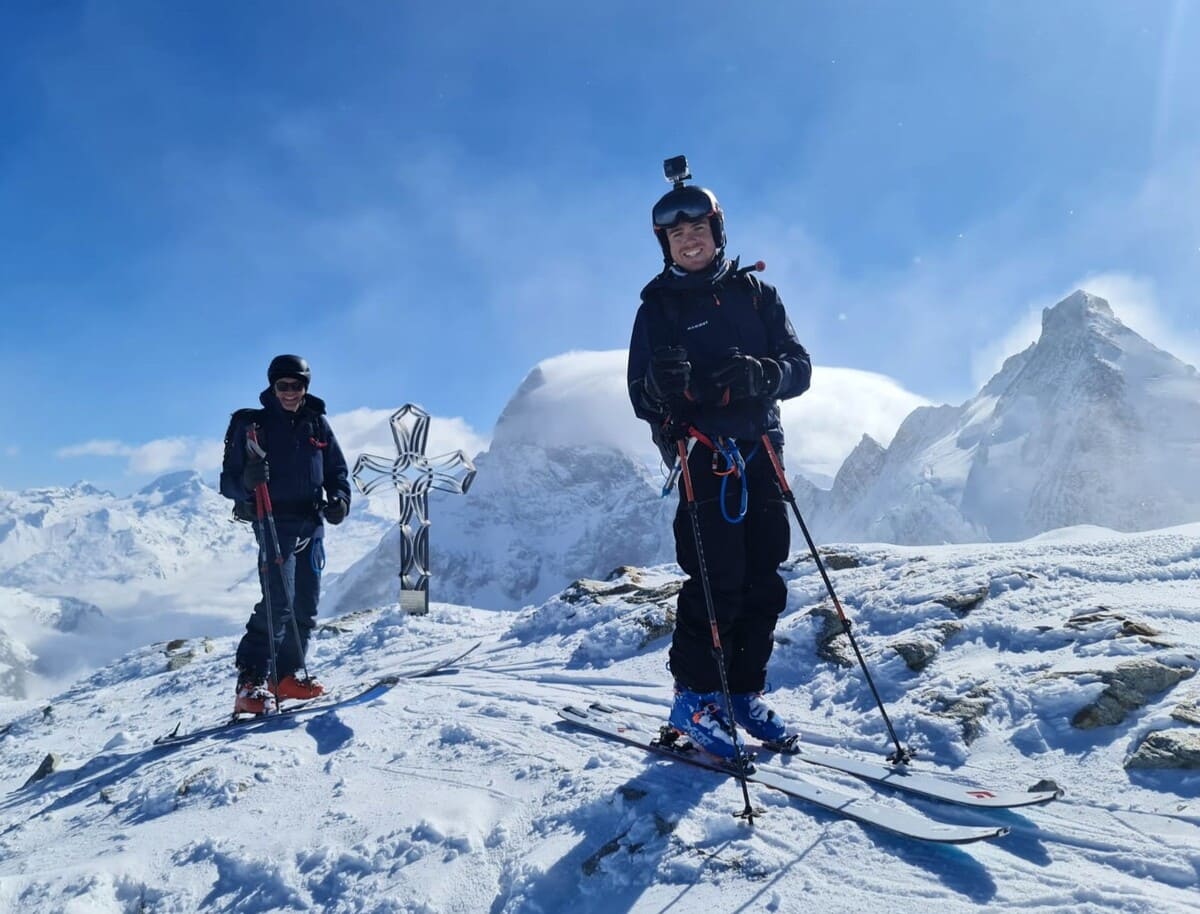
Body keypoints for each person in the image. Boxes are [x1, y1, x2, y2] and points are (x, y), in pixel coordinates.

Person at [627, 159, 812, 759]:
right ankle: (696, 696)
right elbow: (640, 396)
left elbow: (800, 368)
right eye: (677, 235)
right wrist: (661, 386)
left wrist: (767, 373)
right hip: (702, 459)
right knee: (715, 580)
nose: (689, 239)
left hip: (762, 451)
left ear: (717, 229)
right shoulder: (657, 308)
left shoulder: (756, 293)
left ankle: (740, 694)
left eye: (698, 229)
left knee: (765, 579)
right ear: (666, 245)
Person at [220, 354, 352, 715]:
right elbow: (228, 483)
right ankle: (250, 683)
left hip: (312, 525)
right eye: (283, 386)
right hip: (273, 523)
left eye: (297, 386)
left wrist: (340, 500)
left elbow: (337, 472)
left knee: (304, 607)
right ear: (272, 387)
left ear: (306, 387)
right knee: (278, 603)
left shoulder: (316, 424)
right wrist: (246, 482)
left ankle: (286, 677)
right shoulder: (253, 426)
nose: (290, 392)